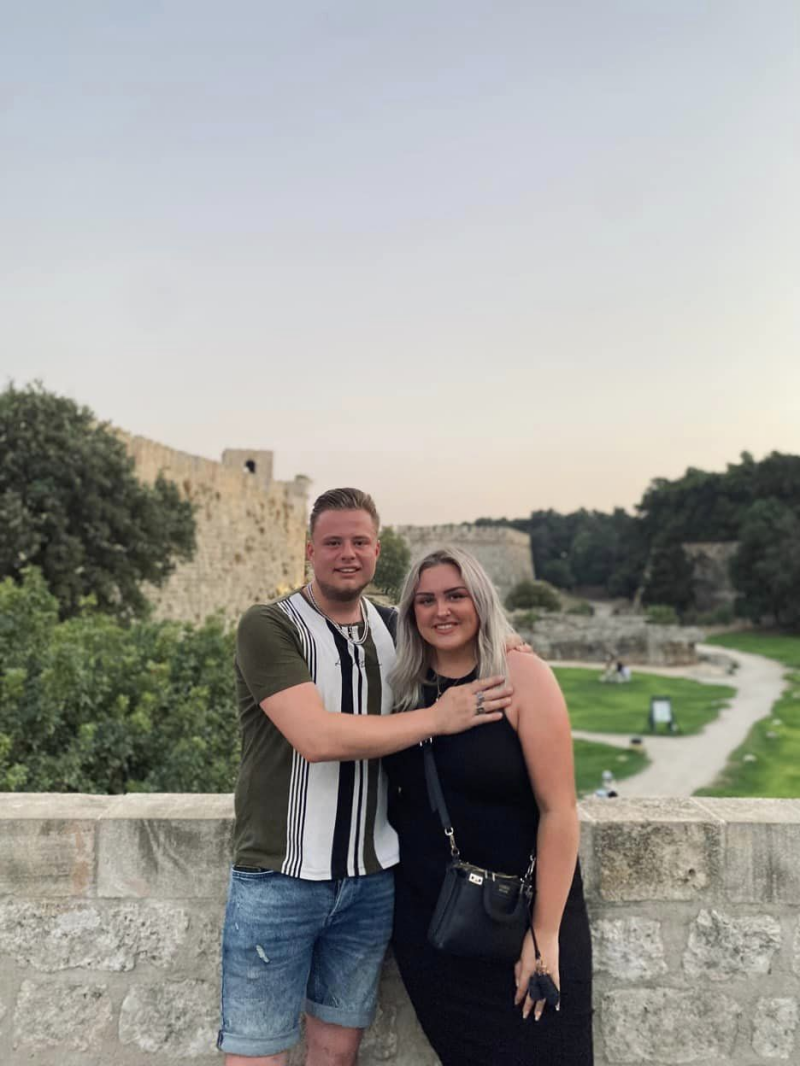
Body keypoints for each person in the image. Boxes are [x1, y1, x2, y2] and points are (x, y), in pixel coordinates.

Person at [217, 489, 514, 1066]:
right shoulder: (269, 625)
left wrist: (509, 643)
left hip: (371, 879)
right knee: (257, 1055)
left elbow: (460, 634)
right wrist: (439, 718)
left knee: (337, 1054)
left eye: (360, 542)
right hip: (279, 876)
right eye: (333, 542)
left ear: (378, 551)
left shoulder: (394, 627)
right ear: (310, 551)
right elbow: (316, 738)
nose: (347, 554)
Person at [386, 547, 593, 1066]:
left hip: (522, 918)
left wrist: (544, 936)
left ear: (480, 600)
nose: (441, 611)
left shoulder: (519, 676)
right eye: (426, 600)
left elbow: (559, 810)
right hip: (434, 930)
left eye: (456, 596)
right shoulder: (403, 687)